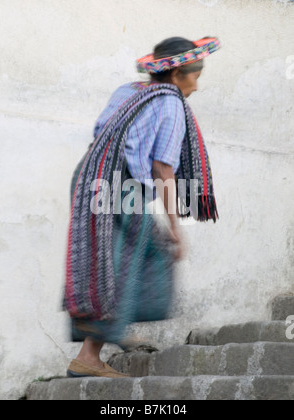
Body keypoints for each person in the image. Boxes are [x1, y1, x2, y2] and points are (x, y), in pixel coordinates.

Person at [64, 36, 220, 378]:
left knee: (123, 256)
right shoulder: (171, 104)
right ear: (178, 74)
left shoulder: (127, 90)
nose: (197, 83)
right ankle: (90, 355)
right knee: (125, 262)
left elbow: (100, 133)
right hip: (122, 185)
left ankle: (117, 329)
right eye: (196, 74)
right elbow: (163, 169)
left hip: (90, 173)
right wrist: (177, 228)